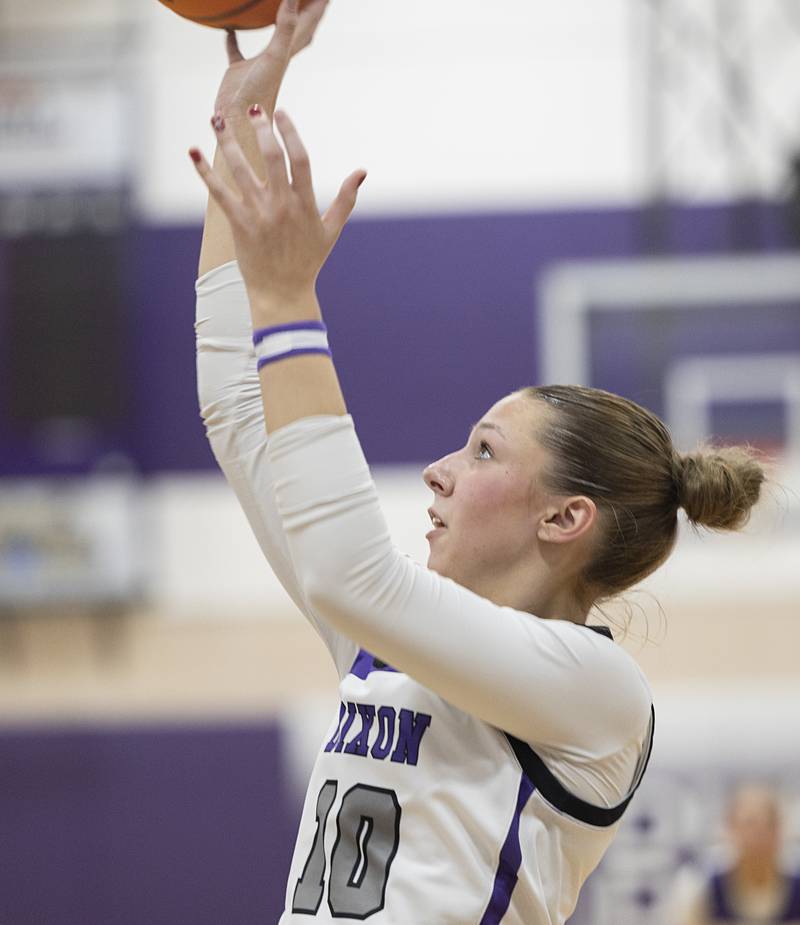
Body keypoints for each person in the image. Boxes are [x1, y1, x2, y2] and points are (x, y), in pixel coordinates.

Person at [191, 1, 766, 920]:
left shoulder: (599, 694)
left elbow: (349, 574)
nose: (439, 470)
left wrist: (290, 296)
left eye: (484, 449)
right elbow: (234, 405)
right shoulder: (389, 637)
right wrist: (239, 127)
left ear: (564, 516)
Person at [670, 784, 800, 925]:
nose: (758, 835)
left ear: (780, 830)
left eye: (768, 825)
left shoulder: (796, 887)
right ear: (730, 828)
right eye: (750, 824)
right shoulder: (701, 886)